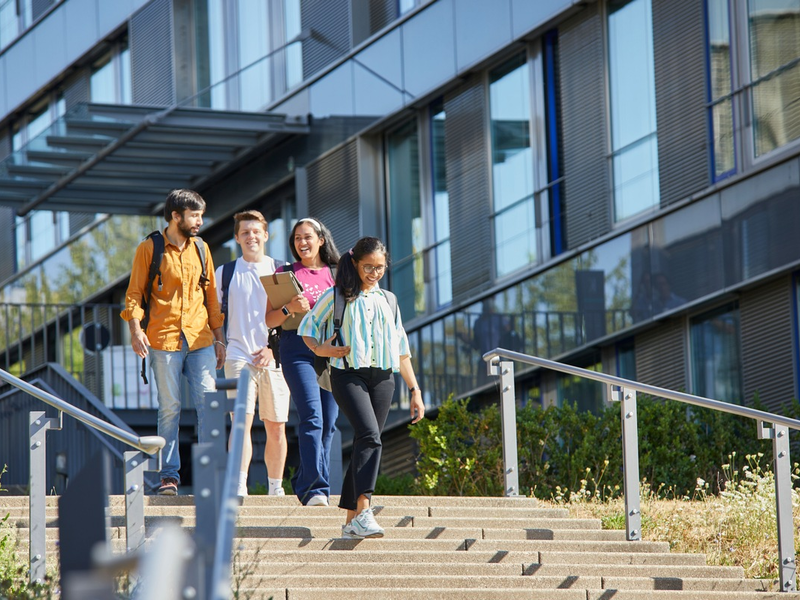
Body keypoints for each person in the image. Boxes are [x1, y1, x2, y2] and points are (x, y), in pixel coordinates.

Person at [298, 236, 425, 539]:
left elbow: (401, 350)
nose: (374, 273)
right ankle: (365, 511)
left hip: (383, 378)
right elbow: (307, 329)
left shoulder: (389, 300)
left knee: (364, 442)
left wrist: (415, 391)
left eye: (380, 268)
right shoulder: (335, 296)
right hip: (347, 374)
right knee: (370, 437)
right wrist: (321, 349)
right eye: (368, 267)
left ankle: (350, 521)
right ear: (354, 263)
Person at [121, 189, 225, 496]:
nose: (200, 221)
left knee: (209, 403)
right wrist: (136, 330)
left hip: (201, 339)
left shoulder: (202, 248)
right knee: (170, 408)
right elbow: (134, 293)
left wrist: (219, 339)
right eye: (194, 216)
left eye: (201, 215)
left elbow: (211, 297)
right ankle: (169, 477)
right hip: (163, 339)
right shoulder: (149, 248)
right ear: (175, 216)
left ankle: (211, 473)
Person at [265, 217, 340, 506]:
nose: (302, 242)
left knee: (329, 423)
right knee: (312, 416)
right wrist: (289, 308)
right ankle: (317, 490)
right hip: (296, 349)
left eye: (307, 237)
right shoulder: (284, 273)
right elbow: (269, 320)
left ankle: (304, 481)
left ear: (321, 240)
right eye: (297, 238)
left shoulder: (337, 274)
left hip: (330, 350)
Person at [215, 210, 288, 498]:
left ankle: (275, 488)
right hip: (238, 356)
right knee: (240, 423)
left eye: (256, 231)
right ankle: (239, 485)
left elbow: (290, 319)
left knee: (276, 426)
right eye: (245, 232)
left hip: (274, 358)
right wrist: (219, 344)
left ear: (266, 235)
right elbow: (214, 316)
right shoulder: (226, 272)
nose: (251, 236)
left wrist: (272, 349)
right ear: (237, 238)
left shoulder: (280, 270)